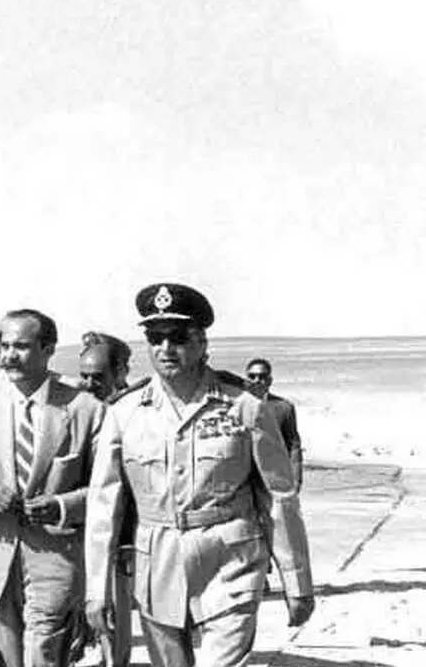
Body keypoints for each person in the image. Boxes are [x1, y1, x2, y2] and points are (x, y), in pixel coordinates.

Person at [85, 284, 315, 667]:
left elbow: (278, 498)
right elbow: (103, 507)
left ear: (202, 342)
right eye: (155, 338)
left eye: (178, 337)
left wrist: (297, 582)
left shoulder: (244, 407)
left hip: (230, 562)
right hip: (156, 564)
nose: (165, 348)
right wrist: (96, 589)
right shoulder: (124, 413)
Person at [0, 308, 104, 667]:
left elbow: (106, 490)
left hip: (55, 555)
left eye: (21, 346)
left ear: (48, 350)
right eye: (4, 346)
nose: (9, 355)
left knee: (43, 649)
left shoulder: (84, 408)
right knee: (4, 655)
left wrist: (61, 506)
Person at [75, 332, 136, 667]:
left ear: (120, 372)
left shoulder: (131, 413)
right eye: (83, 376)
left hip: (116, 532)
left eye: (97, 377)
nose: (88, 384)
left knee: (112, 612)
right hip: (74, 529)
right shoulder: (75, 411)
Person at [245, 358, 304, 491]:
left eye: (262, 376)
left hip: (272, 477)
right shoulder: (235, 406)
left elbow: (293, 446)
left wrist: (296, 481)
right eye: (252, 376)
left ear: (270, 380)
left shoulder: (283, 407)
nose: (257, 380)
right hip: (242, 479)